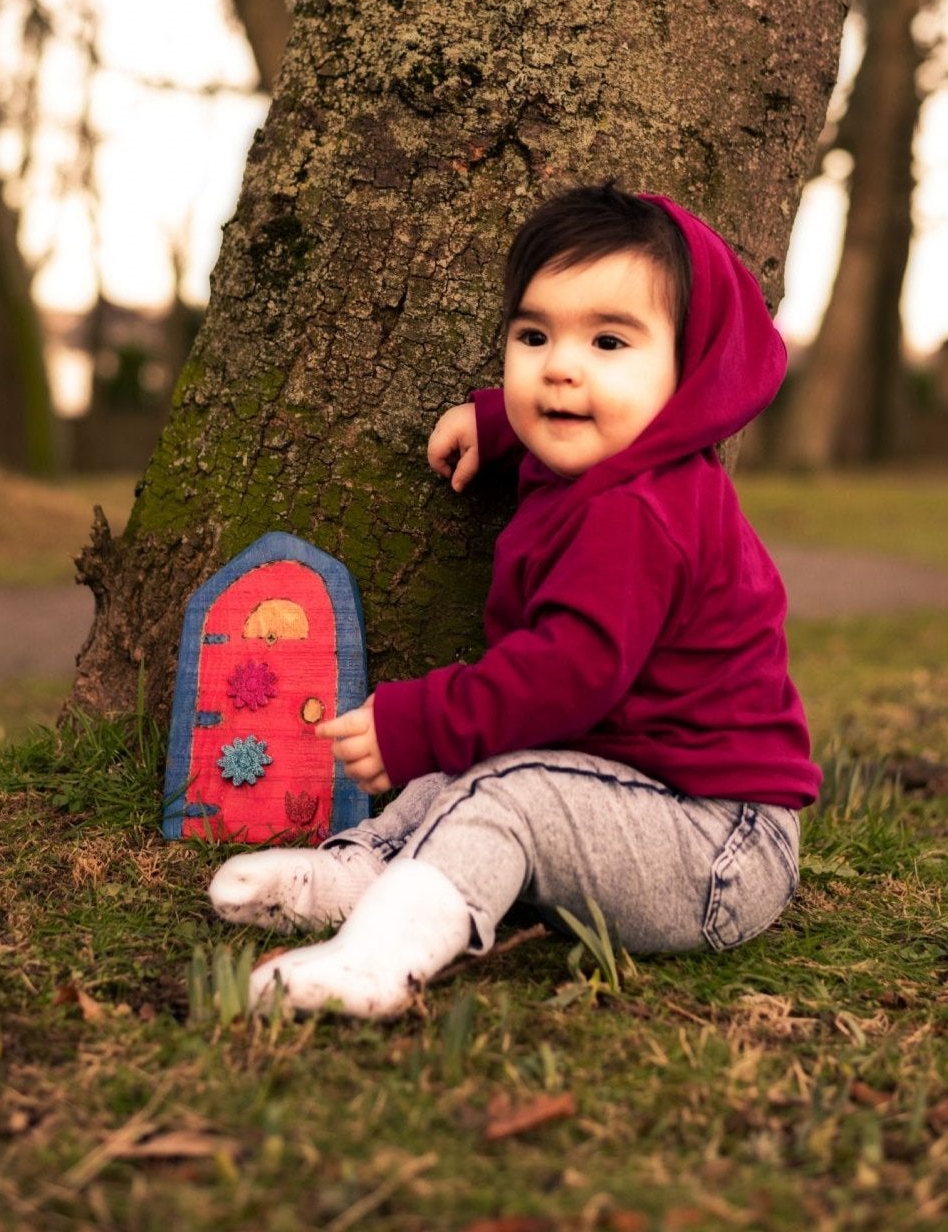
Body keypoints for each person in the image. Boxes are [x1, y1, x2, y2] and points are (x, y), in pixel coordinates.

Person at [208, 184, 821, 1017]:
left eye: (609, 341)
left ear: (689, 372)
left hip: (719, 848)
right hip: (641, 796)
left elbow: (568, 676)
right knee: (485, 769)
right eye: (534, 336)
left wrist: (420, 720)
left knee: (510, 792)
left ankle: (379, 960)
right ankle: (362, 873)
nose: (561, 367)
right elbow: (564, 421)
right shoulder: (614, 467)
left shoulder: (642, 514)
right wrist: (500, 422)